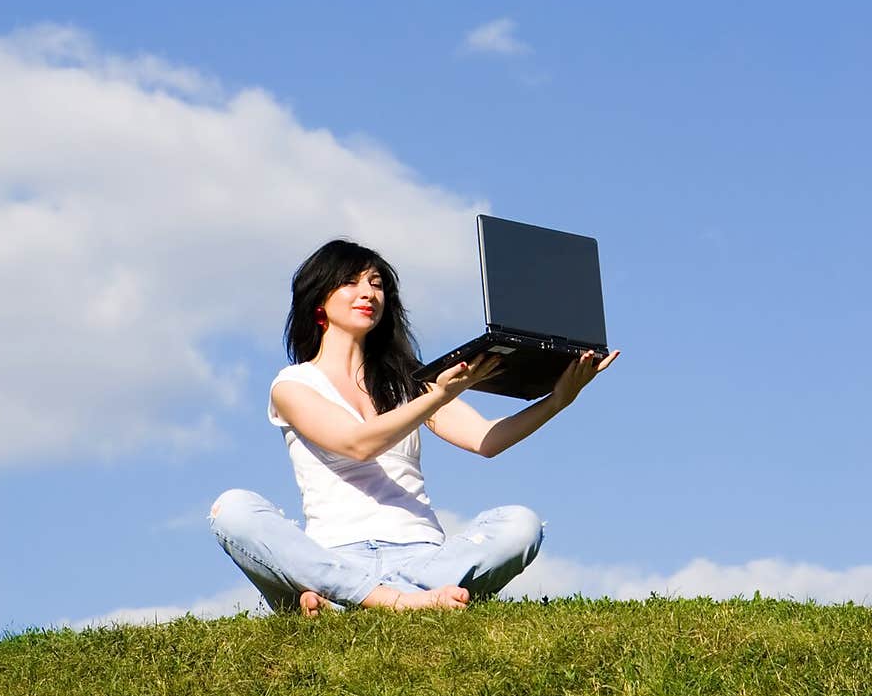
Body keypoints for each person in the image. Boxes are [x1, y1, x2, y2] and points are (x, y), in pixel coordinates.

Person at [210, 238, 619, 616]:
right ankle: (390, 599)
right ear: (319, 303)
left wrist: (560, 399)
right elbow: (357, 444)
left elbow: (486, 440)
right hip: (335, 555)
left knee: (521, 523)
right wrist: (435, 397)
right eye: (350, 283)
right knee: (232, 510)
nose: (368, 292)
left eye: (376, 283)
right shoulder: (293, 384)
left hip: (423, 556)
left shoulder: (410, 384)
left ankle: (354, 601)